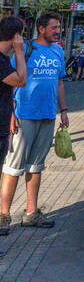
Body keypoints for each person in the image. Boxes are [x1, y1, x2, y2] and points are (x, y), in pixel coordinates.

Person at [1, 12, 68, 233]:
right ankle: (3, 215)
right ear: (41, 29)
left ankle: (31, 213)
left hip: (47, 115)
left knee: (36, 166)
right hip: (23, 115)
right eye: (54, 28)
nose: (57, 31)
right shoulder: (26, 49)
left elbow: (59, 83)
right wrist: (11, 113)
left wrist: (64, 110)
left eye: (59, 28)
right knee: (13, 167)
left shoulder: (58, 51)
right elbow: (9, 82)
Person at [0, 18, 28, 241]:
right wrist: (19, 52)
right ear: (15, 36)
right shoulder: (1, 62)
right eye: (21, 36)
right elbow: (21, 80)